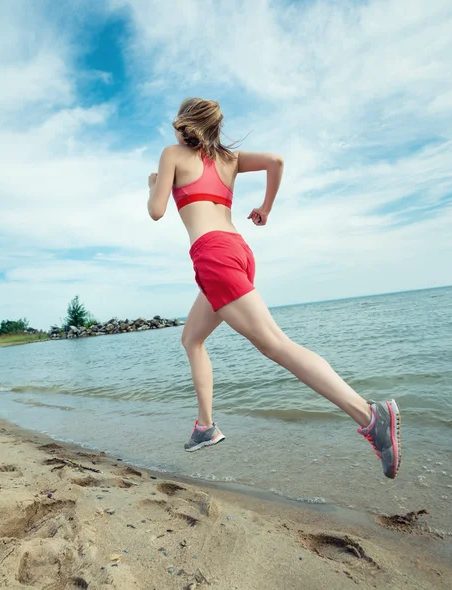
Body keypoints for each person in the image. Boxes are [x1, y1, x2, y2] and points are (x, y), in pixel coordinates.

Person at [147, 98, 401, 479]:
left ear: (183, 123)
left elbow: (155, 210)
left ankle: (370, 416)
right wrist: (265, 208)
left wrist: (154, 184)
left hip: (213, 256)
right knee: (192, 339)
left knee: (274, 344)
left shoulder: (172, 155)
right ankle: (205, 427)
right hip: (237, 251)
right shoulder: (230, 160)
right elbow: (276, 162)